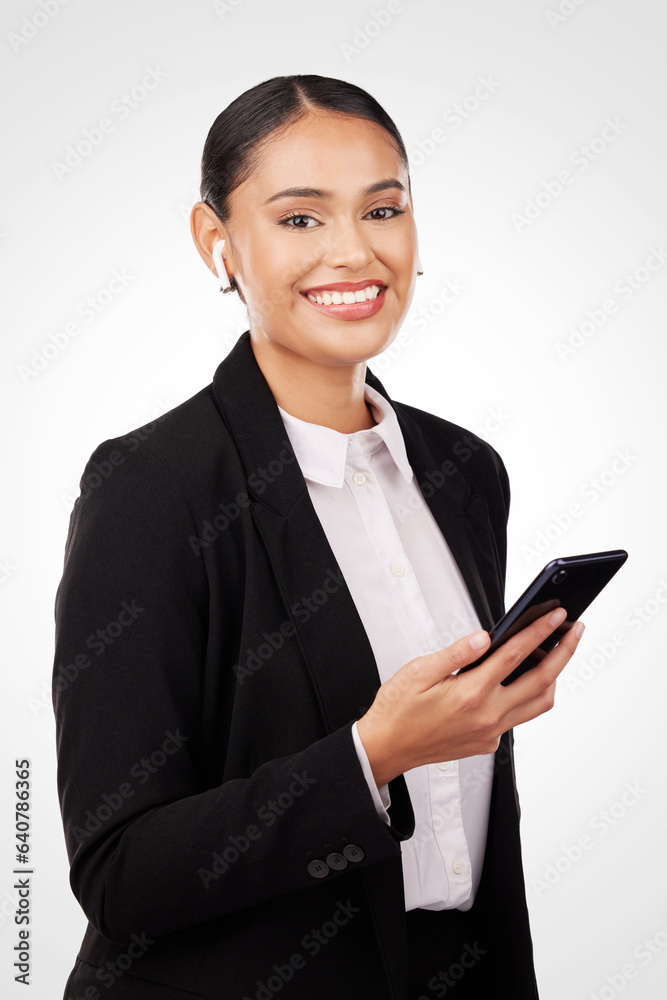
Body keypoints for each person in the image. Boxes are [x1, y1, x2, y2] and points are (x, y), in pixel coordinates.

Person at [53, 74, 584, 1000]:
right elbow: (118, 870)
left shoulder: (463, 470)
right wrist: (372, 756)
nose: (355, 251)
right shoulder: (152, 488)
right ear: (217, 242)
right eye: (300, 219)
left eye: (383, 208)